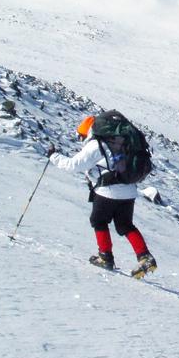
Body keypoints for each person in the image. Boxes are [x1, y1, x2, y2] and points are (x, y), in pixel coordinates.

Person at [49, 115, 157, 279]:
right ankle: (145, 257)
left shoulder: (96, 145)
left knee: (98, 221)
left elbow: (73, 165)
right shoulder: (121, 141)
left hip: (107, 191)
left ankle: (105, 256)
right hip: (128, 190)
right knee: (125, 225)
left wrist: (53, 156)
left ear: (88, 132)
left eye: (81, 136)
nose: (81, 139)